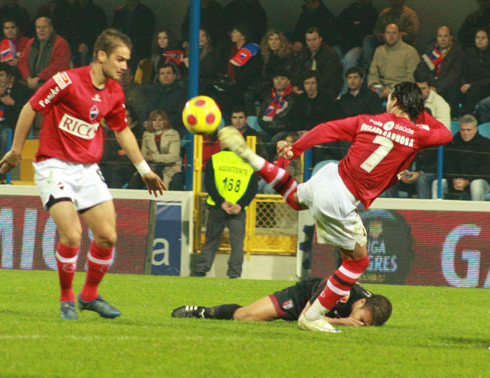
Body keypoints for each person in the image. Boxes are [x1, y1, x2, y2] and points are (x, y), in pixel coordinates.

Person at [218, 81, 452, 332]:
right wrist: (418, 111)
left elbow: (327, 129)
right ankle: (312, 317)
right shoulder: (418, 134)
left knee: (295, 199)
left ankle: (253, 158)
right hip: (342, 196)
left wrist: (295, 149)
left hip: (329, 175)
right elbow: (446, 133)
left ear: (394, 101)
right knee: (356, 263)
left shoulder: (367, 121)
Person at [0, 28, 166, 320]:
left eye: (127, 60)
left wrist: (144, 169)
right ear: (102, 56)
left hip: (87, 169)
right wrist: (16, 150)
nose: (126, 66)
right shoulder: (66, 81)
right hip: (53, 164)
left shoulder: (114, 91)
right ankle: (66, 298)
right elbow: (30, 107)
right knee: (73, 235)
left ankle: (89, 295)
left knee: (107, 236)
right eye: (121, 59)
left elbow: (122, 130)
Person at [172, 280, 392, 328]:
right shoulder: (340, 290)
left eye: (364, 324)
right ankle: (202, 311)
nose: (357, 322)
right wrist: (342, 321)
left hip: (316, 308)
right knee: (244, 316)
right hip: (299, 299)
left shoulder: (371, 302)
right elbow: (305, 319)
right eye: (360, 318)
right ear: (360, 302)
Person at [191, 137, 258, 279]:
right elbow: (253, 189)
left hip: (217, 208)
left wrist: (221, 202)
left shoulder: (215, 159)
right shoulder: (248, 162)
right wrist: (240, 204)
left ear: (224, 144)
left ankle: (201, 270)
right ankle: (234, 274)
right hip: (238, 210)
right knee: (237, 244)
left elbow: (209, 184)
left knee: (212, 240)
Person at [396, 71, 451, 198]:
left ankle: (424, 216)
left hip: (432, 151)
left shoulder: (440, 104)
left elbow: (443, 133)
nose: (420, 92)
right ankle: (390, 215)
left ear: (430, 88)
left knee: (422, 180)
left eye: (423, 89)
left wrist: (420, 172)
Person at [433, 114, 490, 201]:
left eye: (469, 130)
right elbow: (448, 165)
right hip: (455, 181)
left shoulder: (486, 144)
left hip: (480, 181)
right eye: (463, 130)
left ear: (476, 130)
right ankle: (435, 213)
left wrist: (467, 181)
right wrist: (454, 179)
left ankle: (477, 214)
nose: (465, 133)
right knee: (437, 183)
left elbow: (485, 168)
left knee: (476, 184)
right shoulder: (452, 143)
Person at [0, 62, 32, 177]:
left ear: (9, 76)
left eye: (1, 75)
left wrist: (13, 104)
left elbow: (28, 111)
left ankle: (0, 171)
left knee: (5, 135)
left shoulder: (21, 89)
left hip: (13, 125)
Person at [415, 26, 464, 117]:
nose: (443, 39)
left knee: (451, 89)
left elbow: (453, 75)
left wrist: (437, 87)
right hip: (431, 85)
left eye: (445, 36)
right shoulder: (433, 50)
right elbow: (421, 69)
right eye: (440, 36)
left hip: (447, 87)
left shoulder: (457, 52)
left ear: (451, 38)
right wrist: (430, 84)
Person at [18, 16, 71, 91]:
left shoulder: (60, 43)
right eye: (38, 27)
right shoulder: (31, 42)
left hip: (54, 84)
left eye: (44, 27)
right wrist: (28, 78)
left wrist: (38, 78)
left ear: (51, 28)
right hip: (32, 82)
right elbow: (23, 61)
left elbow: (58, 66)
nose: (41, 30)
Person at [368, 23, 419, 99]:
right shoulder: (379, 51)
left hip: (401, 92)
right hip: (380, 91)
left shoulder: (410, 52)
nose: (391, 36)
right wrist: (374, 85)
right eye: (388, 33)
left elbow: (411, 78)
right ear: (384, 35)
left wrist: (391, 89)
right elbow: (373, 73)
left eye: (394, 33)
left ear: (400, 34)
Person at [100, 105, 144, 188]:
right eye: (123, 116)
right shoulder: (113, 133)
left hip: (129, 168)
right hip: (111, 165)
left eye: (128, 116)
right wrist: (118, 152)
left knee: (116, 174)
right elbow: (105, 154)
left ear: (133, 118)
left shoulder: (138, 134)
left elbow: (132, 156)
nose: (125, 119)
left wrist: (116, 155)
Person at [292, 26, 342, 98]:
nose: (312, 43)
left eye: (314, 39)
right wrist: (295, 85)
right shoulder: (303, 54)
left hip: (325, 90)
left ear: (320, 39)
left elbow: (327, 80)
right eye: (309, 40)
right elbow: (296, 73)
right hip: (306, 88)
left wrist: (307, 89)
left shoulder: (330, 55)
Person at [139, 109, 181, 188]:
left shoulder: (173, 134)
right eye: (154, 120)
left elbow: (173, 156)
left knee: (173, 182)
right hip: (153, 168)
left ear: (165, 121)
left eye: (160, 120)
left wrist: (153, 157)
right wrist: (149, 158)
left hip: (171, 168)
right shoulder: (146, 135)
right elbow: (144, 155)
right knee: (136, 179)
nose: (157, 123)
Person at [111, 0, 156, 73]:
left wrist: (132, 45)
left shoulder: (146, 12)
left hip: (139, 51)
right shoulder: (120, 12)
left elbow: (147, 34)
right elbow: (114, 31)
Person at [145, 63, 187, 137]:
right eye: (162, 73)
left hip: (174, 131)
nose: (165, 76)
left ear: (174, 76)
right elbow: (145, 111)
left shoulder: (182, 93)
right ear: (159, 77)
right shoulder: (151, 91)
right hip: (152, 131)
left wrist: (163, 123)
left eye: (168, 73)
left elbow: (181, 116)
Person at [459, 28, 490, 116]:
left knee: (474, 89)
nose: (479, 40)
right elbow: (462, 71)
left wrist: (472, 85)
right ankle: (453, 116)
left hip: (485, 87)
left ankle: (465, 116)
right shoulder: (468, 53)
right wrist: (463, 83)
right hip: (468, 85)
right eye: (477, 37)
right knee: (452, 88)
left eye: (483, 38)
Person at [69, 0, 107, 67]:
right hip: (73, 48)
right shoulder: (69, 11)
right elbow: (67, 30)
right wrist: (78, 44)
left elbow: (101, 32)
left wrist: (88, 44)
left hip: (94, 48)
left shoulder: (98, 11)